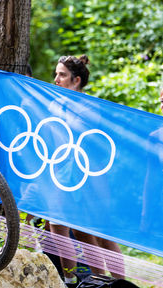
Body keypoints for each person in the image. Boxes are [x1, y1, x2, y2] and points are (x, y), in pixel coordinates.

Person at [52, 54, 124, 286]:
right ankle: (77, 282)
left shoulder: (91, 108)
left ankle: (118, 284)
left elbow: (100, 145)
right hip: (62, 175)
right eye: (56, 74)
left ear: (77, 80)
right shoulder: (52, 104)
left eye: (62, 75)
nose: (56, 79)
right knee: (64, 227)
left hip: (92, 178)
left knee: (101, 234)